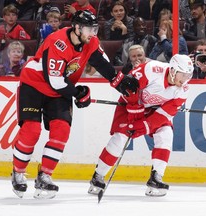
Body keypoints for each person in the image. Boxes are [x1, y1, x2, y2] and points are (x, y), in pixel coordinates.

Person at [11, 10, 139, 199]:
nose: (93, 33)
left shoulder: (90, 41)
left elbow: (102, 63)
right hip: (34, 85)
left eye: (95, 29)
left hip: (60, 90)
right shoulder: (58, 41)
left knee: (61, 130)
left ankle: (45, 176)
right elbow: (54, 80)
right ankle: (18, 171)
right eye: (89, 29)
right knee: (31, 131)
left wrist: (119, 80)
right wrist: (79, 94)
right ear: (77, 28)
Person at [88, 54, 194, 197]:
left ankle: (156, 177)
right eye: (183, 75)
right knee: (121, 138)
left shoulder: (184, 89)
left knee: (166, 133)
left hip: (152, 109)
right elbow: (128, 87)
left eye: (189, 75)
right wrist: (135, 114)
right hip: (129, 104)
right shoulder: (152, 69)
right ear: (173, 70)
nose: (185, 79)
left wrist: (144, 125)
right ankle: (98, 176)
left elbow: (164, 113)